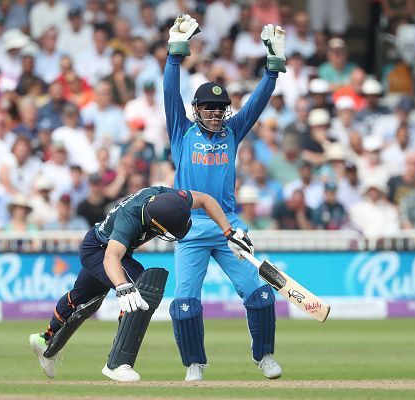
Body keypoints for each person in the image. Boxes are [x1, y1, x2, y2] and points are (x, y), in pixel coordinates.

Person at [163, 15, 285, 381]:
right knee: (185, 304)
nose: (216, 114)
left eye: (220, 109)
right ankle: (194, 364)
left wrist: (273, 70)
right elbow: (170, 91)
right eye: (209, 109)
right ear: (196, 110)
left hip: (229, 226)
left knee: (260, 295)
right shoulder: (181, 131)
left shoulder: (233, 130)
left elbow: (257, 103)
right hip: (188, 227)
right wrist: (174, 57)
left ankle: (264, 356)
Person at [29, 187, 253, 382]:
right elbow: (111, 257)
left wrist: (228, 232)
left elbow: (205, 199)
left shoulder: (170, 198)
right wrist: (122, 286)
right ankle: (117, 364)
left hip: (108, 247)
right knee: (143, 291)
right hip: (100, 250)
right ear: (155, 223)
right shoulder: (131, 217)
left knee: (84, 300)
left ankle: (44, 340)